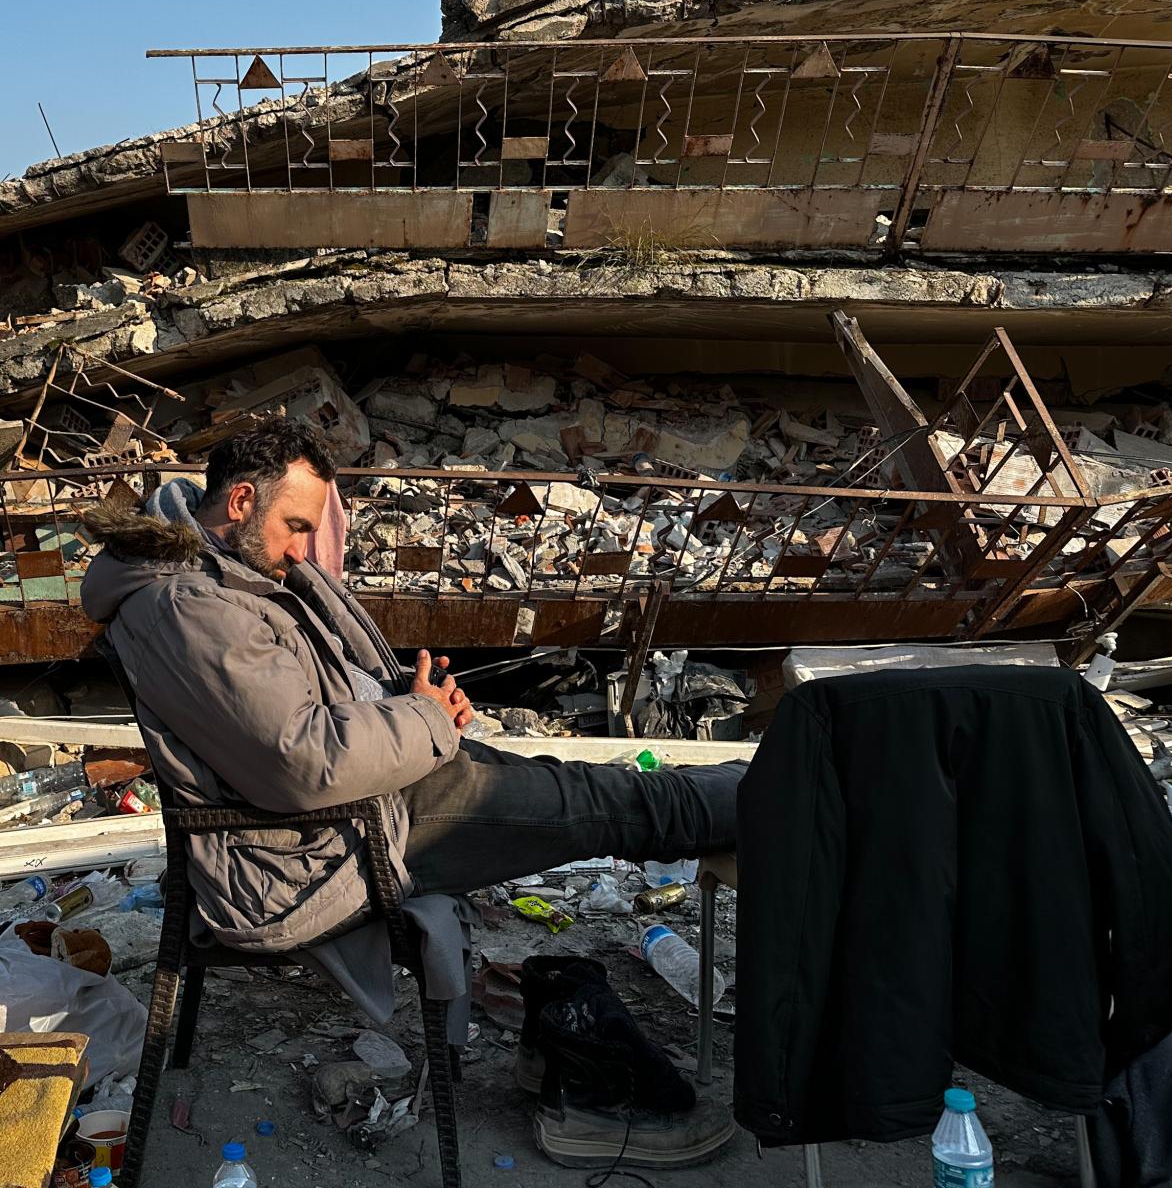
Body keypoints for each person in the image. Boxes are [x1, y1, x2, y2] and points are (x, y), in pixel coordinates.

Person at [81, 418, 745, 1167]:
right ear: (239, 501)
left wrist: (416, 703)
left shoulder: (220, 576)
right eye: (295, 526)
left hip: (370, 798)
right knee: (616, 807)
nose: (304, 550)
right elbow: (303, 763)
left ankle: (762, 785)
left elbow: (306, 714)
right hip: (337, 838)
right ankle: (786, 792)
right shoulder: (190, 608)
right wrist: (423, 719)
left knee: (592, 788)